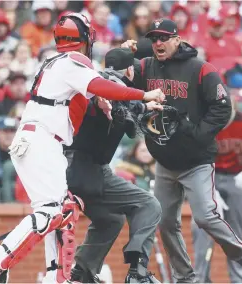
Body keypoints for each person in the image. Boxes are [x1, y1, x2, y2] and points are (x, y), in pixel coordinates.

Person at [0, 12, 165, 284]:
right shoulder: (74, 60)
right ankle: (0, 255)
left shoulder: (55, 61)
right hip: (43, 139)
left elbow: (91, 91)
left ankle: (58, 276)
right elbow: (100, 84)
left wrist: (106, 94)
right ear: (86, 38)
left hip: (40, 139)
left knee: (63, 210)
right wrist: (143, 94)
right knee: (53, 210)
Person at [121, 18, 242, 283]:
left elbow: (222, 106)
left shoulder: (200, 69)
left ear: (177, 39)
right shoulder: (145, 66)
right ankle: (185, 278)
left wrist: (198, 133)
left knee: (205, 217)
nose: (158, 43)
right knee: (164, 223)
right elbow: (119, 76)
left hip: (196, 161)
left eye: (164, 38)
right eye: (154, 39)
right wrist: (122, 54)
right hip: (164, 161)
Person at [65, 47, 163, 284]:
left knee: (111, 219)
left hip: (73, 169)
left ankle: (83, 273)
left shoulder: (102, 84)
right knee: (149, 205)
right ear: (130, 69)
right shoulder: (109, 85)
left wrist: (143, 108)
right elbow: (121, 112)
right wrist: (142, 104)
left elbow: (123, 109)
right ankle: (137, 272)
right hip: (86, 169)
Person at [191, 97, 242, 283]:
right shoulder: (204, 122)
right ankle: (201, 278)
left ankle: (238, 279)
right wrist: (209, 189)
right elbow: (193, 156)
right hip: (209, 176)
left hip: (237, 178)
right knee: (201, 228)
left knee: (235, 230)